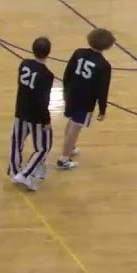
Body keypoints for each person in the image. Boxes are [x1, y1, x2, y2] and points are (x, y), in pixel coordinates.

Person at [56, 29, 115, 170]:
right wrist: (102, 109)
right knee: (75, 127)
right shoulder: (104, 65)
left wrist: (65, 91)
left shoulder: (78, 53)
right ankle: (63, 158)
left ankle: (71, 147)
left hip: (72, 94)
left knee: (71, 122)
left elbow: (67, 73)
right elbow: (102, 89)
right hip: (85, 100)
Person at [10, 37, 55, 191]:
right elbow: (43, 100)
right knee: (43, 147)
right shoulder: (47, 75)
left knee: (17, 142)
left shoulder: (24, 64)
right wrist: (46, 120)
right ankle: (25, 174)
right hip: (36, 115)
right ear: (48, 53)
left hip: (21, 109)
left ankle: (14, 171)